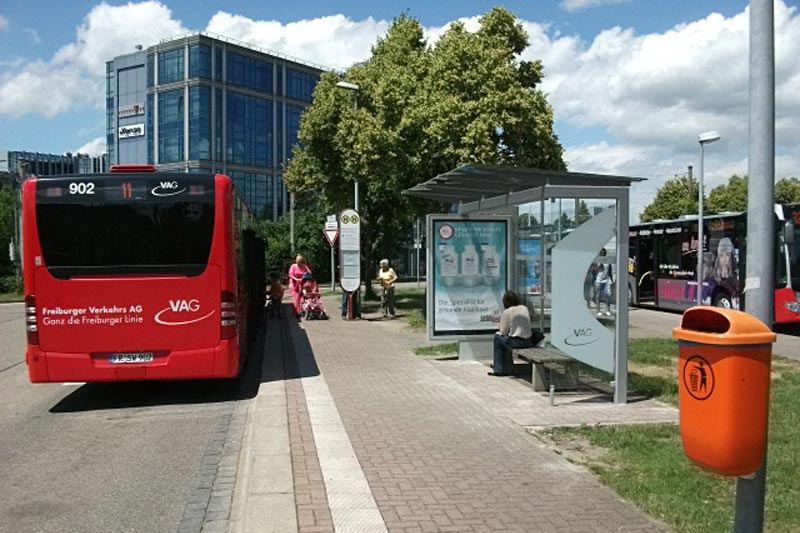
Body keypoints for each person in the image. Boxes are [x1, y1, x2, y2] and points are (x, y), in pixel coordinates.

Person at [488, 290, 533, 377]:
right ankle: (506, 367)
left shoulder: (507, 312)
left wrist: (499, 325)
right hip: (528, 341)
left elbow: (503, 331)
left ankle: (499, 369)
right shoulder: (524, 308)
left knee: (497, 337)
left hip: (516, 342)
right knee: (505, 340)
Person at [593, 249, 613, 316]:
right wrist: (599, 266)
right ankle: (598, 310)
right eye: (601, 253)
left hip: (606, 280)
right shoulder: (596, 261)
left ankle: (607, 310)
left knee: (608, 295)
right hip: (598, 280)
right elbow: (593, 271)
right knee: (597, 296)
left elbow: (609, 271)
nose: (602, 254)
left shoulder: (607, 261)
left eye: (604, 253)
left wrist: (611, 279)